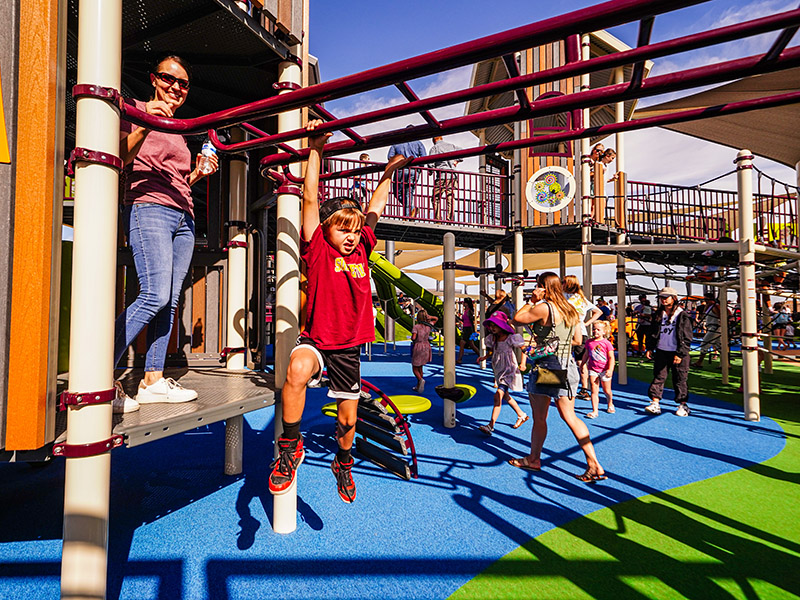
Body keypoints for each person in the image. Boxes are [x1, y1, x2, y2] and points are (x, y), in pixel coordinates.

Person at [268, 119, 409, 504]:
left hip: (348, 346)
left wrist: (391, 170)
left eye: (354, 229)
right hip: (316, 338)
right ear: (326, 231)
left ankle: (342, 462)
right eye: (342, 229)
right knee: (296, 370)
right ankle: (289, 449)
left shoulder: (363, 245)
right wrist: (315, 147)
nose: (349, 235)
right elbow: (310, 197)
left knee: (347, 420)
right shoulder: (317, 248)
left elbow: (376, 205)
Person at [113, 55, 219, 414]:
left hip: (184, 216)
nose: (176, 87)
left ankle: (153, 380)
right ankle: (98, 375)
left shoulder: (181, 128)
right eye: (168, 78)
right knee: (154, 294)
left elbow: (175, 178)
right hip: (148, 207)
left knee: (169, 300)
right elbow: (120, 157)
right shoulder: (133, 110)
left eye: (183, 83)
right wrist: (146, 122)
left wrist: (198, 176)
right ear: (154, 79)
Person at [508, 272, 606, 482]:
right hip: (568, 365)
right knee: (570, 416)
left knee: (540, 417)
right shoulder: (570, 309)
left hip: (548, 367)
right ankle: (593, 462)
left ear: (544, 287)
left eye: (538, 286)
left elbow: (516, 319)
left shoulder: (544, 307)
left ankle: (534, 459)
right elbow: (578, 339)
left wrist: (531, 301)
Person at [475, 311, 529, 435]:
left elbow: (524, 349)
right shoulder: (492, 339)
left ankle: (490, 425)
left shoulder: (511, 338)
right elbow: (491, 352)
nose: (492, 328)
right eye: (491, 325)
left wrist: (523, 363)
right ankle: (521, 415)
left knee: (498, 396)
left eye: (495, 325)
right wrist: (484, 357)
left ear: (502, 326)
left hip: (509, 369)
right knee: (505, 396)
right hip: (498, 369)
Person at [646, 287, 693, 417]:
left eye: (666, 297)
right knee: (658, 376)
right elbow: (652, 332)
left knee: (680, 378)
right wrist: (649, 347)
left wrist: (680, 353)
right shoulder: (658, 314)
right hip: (662, 350)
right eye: (661, 297)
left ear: (674, 298)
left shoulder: (682, 314)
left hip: (677, 351)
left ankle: (683, 404)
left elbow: (687, 336)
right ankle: (655, 402)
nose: (663, 299)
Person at [561, 275, 601, 399]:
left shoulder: (563, 296)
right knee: (581, 361)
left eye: (563, 282)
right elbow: (598, 311)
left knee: (565, 358)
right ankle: (584, 388)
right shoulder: (581, 298)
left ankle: (564, 385)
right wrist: (586, 323)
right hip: (581, 331)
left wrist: (586, 323)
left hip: (566, 330)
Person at [580, 320, 615, 418]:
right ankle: (595, 410)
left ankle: (610, 403)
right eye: (594, 329)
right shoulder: (589, 342)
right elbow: (586, 354)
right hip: (593, 369)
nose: (595, 331)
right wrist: (582, 364)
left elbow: (611, 357)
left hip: (604, 369)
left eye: (598, 330)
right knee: (594, 390)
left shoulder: (606, 343)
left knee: (606, 390)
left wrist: (610, 369)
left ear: (604, 332)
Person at [388, 130, 426, 218]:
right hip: (413, 170)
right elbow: (424, 157)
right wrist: (419, 170)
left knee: (397, 192)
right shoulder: (418, 143)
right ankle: (410, 211)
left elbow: (390, 157)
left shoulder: (397, 143)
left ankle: (408, 214)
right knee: (409, 192)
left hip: (400, 169)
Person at [428, 135, 461, 220]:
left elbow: (430, 164)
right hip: (453, 176)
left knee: (436, 198)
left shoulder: (434, 148)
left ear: (434, 140)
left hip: (441, 176)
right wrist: (456, 161)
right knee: (450, 197)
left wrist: (431, 171)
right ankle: (450, 218)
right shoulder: (452, 146)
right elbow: (462, 152)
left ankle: (438, 218)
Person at [692, 292, 727, 367]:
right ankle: (726, 364)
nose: (705, 301)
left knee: (704, 344)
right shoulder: (710, 306)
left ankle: (699, 362)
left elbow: (720, 316)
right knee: (719, 346)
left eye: (706, 299)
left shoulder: (715, 306)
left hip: (715, 328)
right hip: (713, 327)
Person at [411, 309, 437, 393]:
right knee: (421, 366)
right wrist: (430, 317)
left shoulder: (416, 327)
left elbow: (414, 338)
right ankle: (419, 386)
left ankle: (420, 380)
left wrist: (412, 338)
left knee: (415, 367)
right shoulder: (429, 326)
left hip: (418, 346)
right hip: (426, 346)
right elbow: (436, 319)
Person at [456, 297, 479, 364]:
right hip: (466, 328)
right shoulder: (465, 311)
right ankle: (481, 356)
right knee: (471, 345)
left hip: (468, 329)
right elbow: (464, 320)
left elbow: (471, 319)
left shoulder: (469, 311)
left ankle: (459, 359)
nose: (463, 303)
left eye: (464, 302)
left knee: (462, 343)